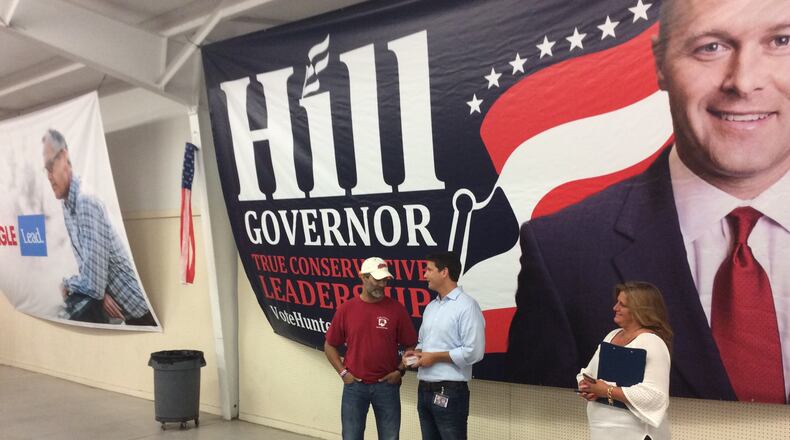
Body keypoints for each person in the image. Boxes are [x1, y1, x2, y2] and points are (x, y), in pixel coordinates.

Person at [507, 0, 790, 404]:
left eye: (781, 40)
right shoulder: (561, 254)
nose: (744, 81)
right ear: (660, 63)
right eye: (711, 47)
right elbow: (541, 423)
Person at [42, 129, 156, 326]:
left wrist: (69, 283)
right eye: (46, 169)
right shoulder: (67, 204)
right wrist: (98, 291)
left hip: (140, 316)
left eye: (51, 166)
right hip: (121, 316)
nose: (49, 176)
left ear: (65, 157)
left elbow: (93, 285)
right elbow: (90, 275)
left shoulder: (86, 202)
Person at [324, 257, 417, 440]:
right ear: (363, 277)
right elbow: (329, 345)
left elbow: (411, 346)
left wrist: (401, 370)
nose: (382, 285)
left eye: (385, 280)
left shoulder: (396, 310)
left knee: (390, 437)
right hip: (354, 387)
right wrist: (343, 373)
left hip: (387, 387)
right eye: (377, 279)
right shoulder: (346, 309)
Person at [403, 251, 485, 440]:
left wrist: (436, 357)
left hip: (450, 391)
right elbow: (424, 343)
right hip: (424, 389)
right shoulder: (431, 307)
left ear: (444, 272)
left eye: (429, 269)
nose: (424, 275)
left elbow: (474, 351)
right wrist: (415, 354)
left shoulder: (467, 306)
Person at [578, 282, 673, 440]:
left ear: (639, 310)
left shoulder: (652, 343)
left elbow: (655, 397)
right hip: (603, 431)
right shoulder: (611, 336)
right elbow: (587, 373)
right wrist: (587, 387)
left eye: (622, 304)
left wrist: (607, 391)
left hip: (637, 434)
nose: (615, 308)